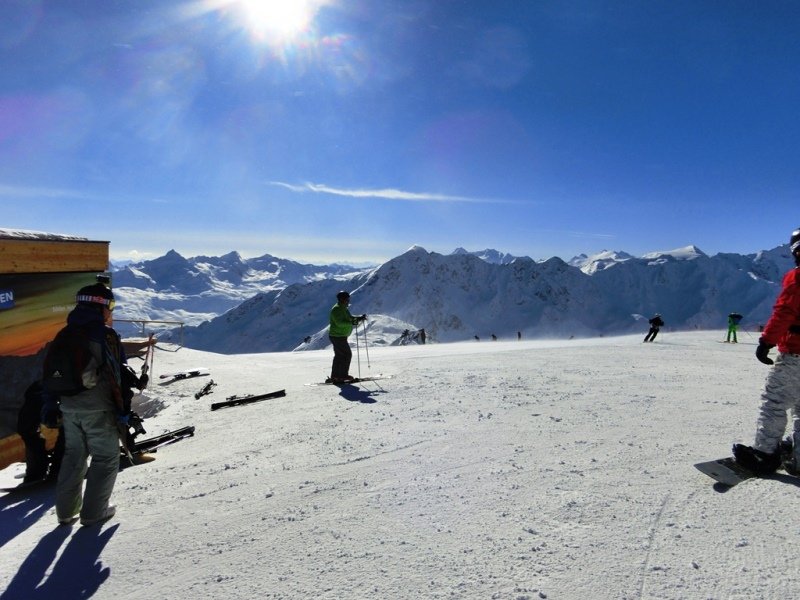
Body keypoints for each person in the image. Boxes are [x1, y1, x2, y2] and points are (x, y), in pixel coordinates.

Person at [53, 282, 131, 526]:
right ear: (100, 306)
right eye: (111, 305)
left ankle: (66, 512)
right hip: (98, 407)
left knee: (74, 456)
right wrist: (123, 410)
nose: (111, 311)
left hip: (69, 407)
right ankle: (93, 512)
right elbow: (119, 374)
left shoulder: (64, 333)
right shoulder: (105, 336)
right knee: (106, 458)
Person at [733, 227, 800, 475]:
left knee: (774, 403)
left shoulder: (797, 278)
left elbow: (784, 312)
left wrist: (766, 341)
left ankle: (764, 454)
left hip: (795, 353)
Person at [17, 381, 64, 483]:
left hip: (56, 402)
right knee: (29, 434)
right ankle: (41, 469)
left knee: (66, 434)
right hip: (46, 401)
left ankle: (52, 468)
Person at [328, 291, 366, 384]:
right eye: (347, 299)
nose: (348, 300)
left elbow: (349, 318)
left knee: (339, 356)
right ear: (342, 299)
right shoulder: (337, 309)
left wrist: (358, 318)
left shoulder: (343, 308)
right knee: (346, 355)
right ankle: (342, 376)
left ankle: (336, 376)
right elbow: (340, 323)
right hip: (338, 336)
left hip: (338, 336)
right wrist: (353, 322)